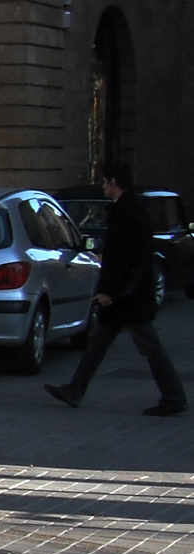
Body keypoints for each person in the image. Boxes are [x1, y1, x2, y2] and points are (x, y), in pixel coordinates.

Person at [47, 162, 186, 416]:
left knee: (147, 345)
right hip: (128, 294)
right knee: (99, 342)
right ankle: (75, 389)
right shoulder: (132, 209)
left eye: (104, 181)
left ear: (113, 182)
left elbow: (121, 257)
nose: (102, 186)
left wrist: (108, 290)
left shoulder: (127, 212)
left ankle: (174, 396)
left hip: (127, 296)